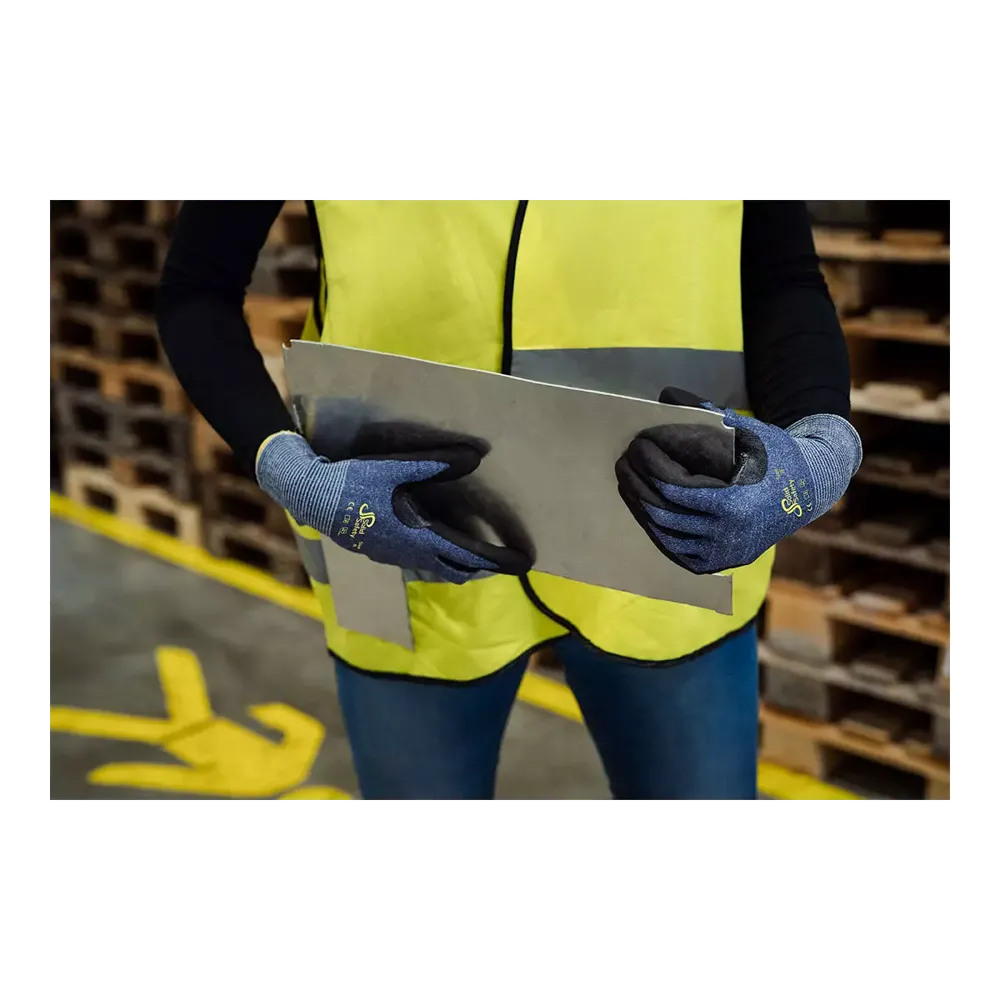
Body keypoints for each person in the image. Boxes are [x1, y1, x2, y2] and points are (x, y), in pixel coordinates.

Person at [157, 200, 860, 800]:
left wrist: (823, 447)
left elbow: (778, 277)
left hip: (674, 542)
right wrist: (293, 472)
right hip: (387, 528)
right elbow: (197, 291)